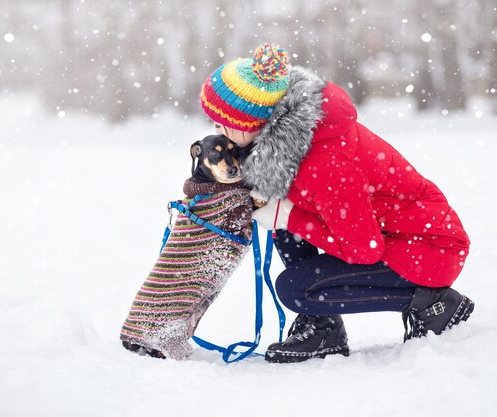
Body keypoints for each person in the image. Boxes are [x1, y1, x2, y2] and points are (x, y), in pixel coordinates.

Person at [199, 43, 474, 363]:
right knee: (283, 222)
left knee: (294, 288)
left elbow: (364, 249)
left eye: (221, 124)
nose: (218, 133)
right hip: (398, 236)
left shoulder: (323, 160)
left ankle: (434, 303)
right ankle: (322, 325)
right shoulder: (293, 142)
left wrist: (289, 217)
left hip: (428, 250)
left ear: (248, 122)